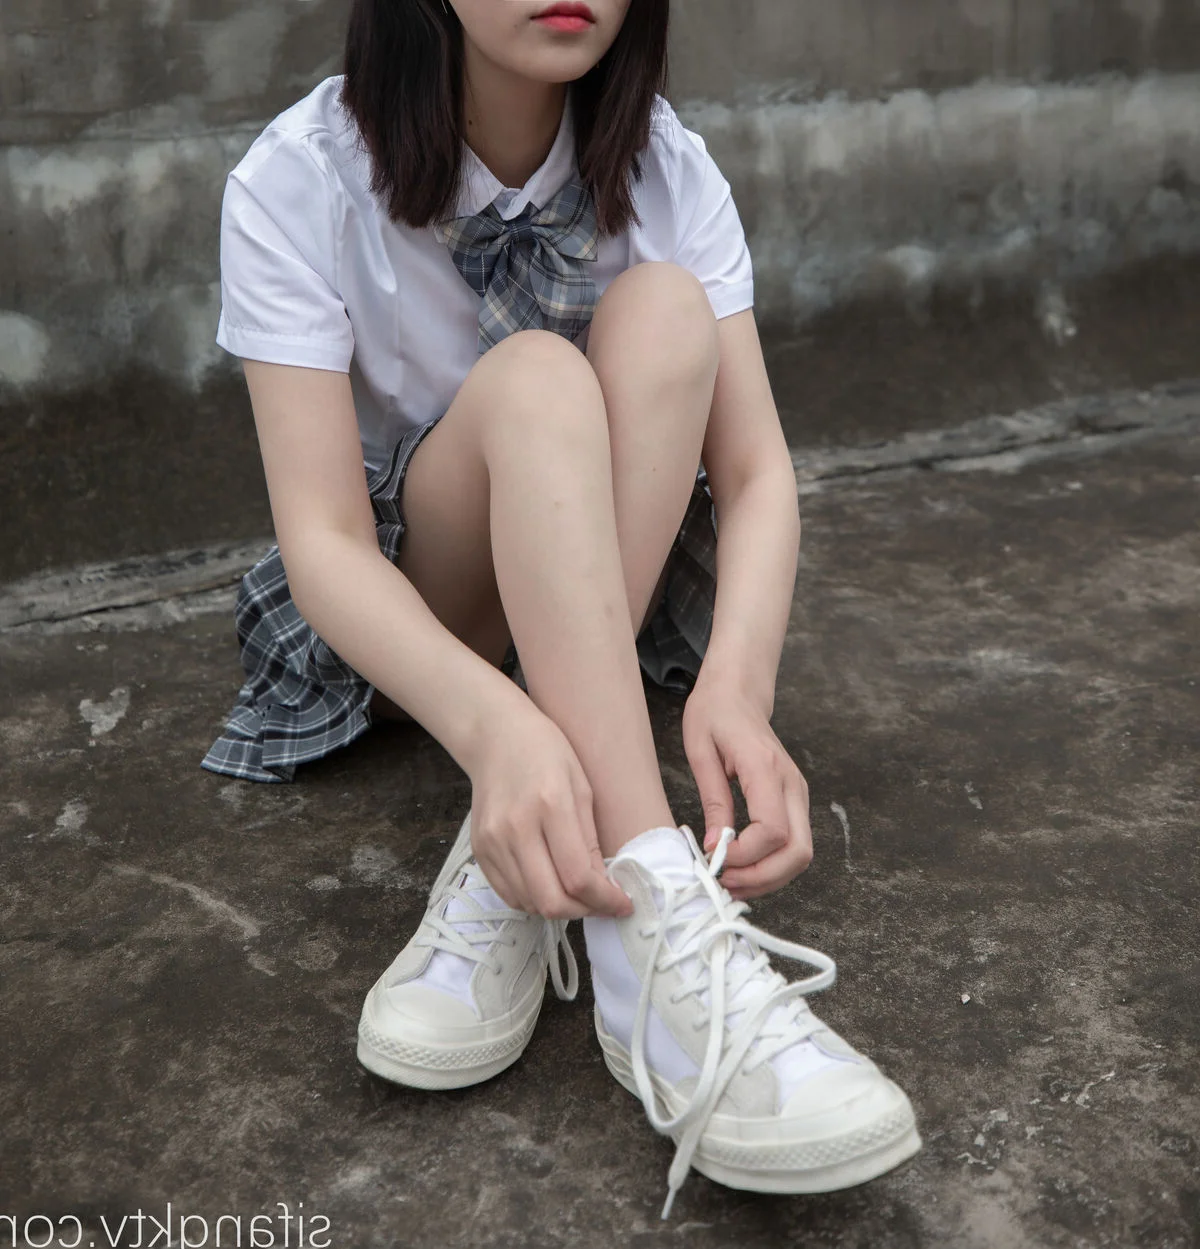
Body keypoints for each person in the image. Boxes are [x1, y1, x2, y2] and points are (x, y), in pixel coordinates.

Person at [202, 0, 921, 1219]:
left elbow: (756, 474)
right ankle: (652, 932)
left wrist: (737, 684)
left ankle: (523, 870)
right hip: (423, 617)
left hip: (598, 589)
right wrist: (495, 729)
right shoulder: (301, 176)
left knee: (668, 310)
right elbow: (322, 541)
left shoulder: (666, 168)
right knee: (537, 378)